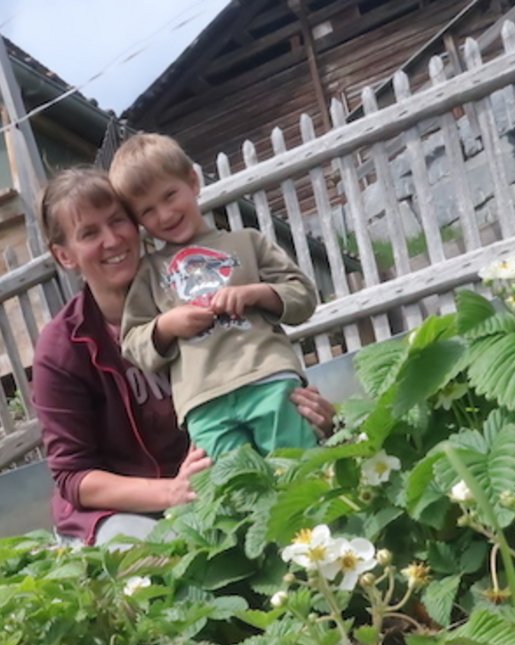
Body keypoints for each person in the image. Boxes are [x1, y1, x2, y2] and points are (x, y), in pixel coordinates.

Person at [31, 167, 333, 546]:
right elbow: (73, 477)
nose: (111, 240)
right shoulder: (62, 348)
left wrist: (311, 413)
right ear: (64, 255)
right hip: (128, 509)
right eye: (89, 233)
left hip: (208, 477)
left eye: (117, 221)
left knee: (299, 504)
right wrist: (170, 492)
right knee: (153, 555)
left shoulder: (200, 284)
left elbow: (257, 372)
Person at [109, 133, 320, 460]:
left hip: (268, 378)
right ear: (138, 222)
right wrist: (167, 325)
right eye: (148, 211)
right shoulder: (149, 273)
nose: (164, 215)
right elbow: (133, 344)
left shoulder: (247, 242)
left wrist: (255, 293)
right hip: (203, 402)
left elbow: (303, 296)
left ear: (192, 182)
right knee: (237, 492)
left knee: (300, 472)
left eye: (169, 195)